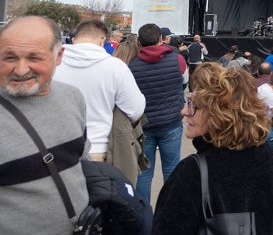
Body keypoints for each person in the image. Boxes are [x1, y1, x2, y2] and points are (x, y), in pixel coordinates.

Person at [153, 63, 273, 234]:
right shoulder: (270, 158)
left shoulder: (192, 172)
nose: (184, 111)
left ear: (219, 115)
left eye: (194, 105)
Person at [0, 16, 90, 235]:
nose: (21, 70)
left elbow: (82, 161)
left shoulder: (73, 97)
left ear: (58, 56)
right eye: (9, 57)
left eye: (34, 57)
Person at [54, 18, 146, 161]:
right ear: (103, 40)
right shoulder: (116, 67)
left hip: (57, 149)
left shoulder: (52, 64)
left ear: (74, 39)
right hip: (98, 149)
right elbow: (135, 110)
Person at [129, 23, 187, 201]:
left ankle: (144, 216)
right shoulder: (177, 59)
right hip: (171, 123)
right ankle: (170, 211)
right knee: (171, 169)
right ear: (161, 39)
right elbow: (184, 83)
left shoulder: (132, 65)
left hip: (144, 126)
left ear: (140, 41)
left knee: (144, 173)